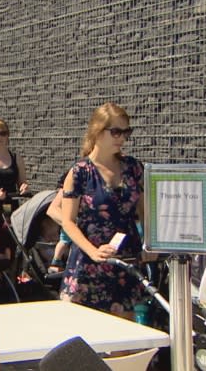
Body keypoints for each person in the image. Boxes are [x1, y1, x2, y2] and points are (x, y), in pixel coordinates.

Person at [59, 102, 144, 320]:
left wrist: (150, 244)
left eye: (126, 132)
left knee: (126, 338)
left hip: (126, 259)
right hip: (89, 262)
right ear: (97, 131)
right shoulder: (80, 172)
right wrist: (93, 251)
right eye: (115, 131)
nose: (122, 138)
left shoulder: (133, 167)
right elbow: (68, 221)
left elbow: (145, 211)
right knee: (88, 337)